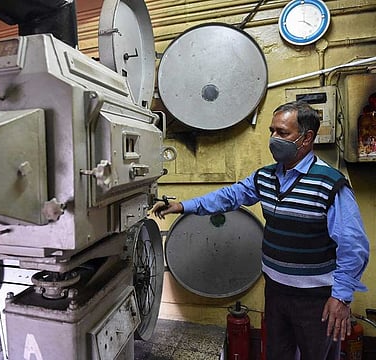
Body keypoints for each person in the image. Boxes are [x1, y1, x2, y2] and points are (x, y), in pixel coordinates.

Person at [153, 101, 369, 360]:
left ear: (307, 138)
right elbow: (228, 196)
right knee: (277, 353)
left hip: (317, 299)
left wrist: (341, 297)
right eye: (271, 131)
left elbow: (353, 246)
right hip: (276, 291)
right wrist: (182, 206)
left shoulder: (329, 183)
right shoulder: (265, 177)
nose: (274, 138)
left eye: (283, 133)